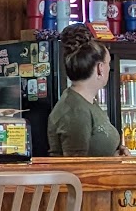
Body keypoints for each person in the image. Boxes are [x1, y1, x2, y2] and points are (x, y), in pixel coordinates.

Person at [46, 25, 123, 156]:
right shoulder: (75, 110)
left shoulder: (86, 103)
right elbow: (78, 165)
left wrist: (116, 157)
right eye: (108, 63)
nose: (109, 69)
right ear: (100, 69)